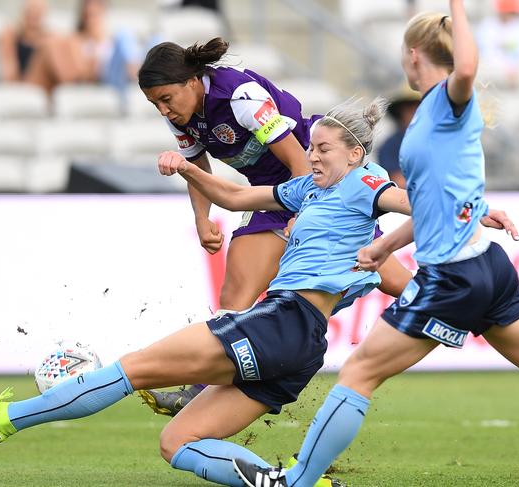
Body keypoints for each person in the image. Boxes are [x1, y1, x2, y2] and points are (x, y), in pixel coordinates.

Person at [0, 97, 417, 487]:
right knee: (177, 442)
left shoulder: (365, 182)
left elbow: (414, 205)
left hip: (284, 321)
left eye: (323, 149)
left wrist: (449, 222)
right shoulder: (309, 190)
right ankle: (293, 484)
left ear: (355, 154)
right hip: (299, 343)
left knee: (132, 369)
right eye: (310, 146)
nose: (311, 156)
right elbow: (235, 198)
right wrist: (186, 169)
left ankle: (6, 419)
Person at [232, 2, 519, 486]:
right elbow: (426, 203)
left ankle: (299, 482)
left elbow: (465, 66)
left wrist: (457, 6)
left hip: (451, 277)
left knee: (357, 375)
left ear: (414, 53)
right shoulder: (428, 117)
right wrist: (386, 247)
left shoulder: (448, 99)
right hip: (485, 263)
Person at [136, 37, 413, 416]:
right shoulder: (181, 117)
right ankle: (203, 391)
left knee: (394, 280)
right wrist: (202, 219)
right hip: (272, 194)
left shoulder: (240, 97)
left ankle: (465, 305)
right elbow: (198, 170)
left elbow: (299, 159)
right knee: (236, 292)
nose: (164, 109)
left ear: (192, 81)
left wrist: (310, 212)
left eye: (166, 98)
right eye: (156, 104)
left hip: (320, 181)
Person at [24, 0, 141, 97]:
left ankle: (140, 74)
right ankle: (139, 75)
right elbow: (72, 74)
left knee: (129, 37)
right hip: (105, 78)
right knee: (124, 35)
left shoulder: (109, 40)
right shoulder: (76, 41)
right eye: (88, 15)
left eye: (96, 14)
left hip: (117, 73)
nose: (92, 20)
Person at [476, 0, 519, 88]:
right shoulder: (487, 26)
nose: (508, 15)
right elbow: (485, 52)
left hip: (518, 68)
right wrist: (504, 67)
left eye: (511, 12)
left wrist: (514, 66)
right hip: (494, 69)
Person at [376, 83, 420, 188]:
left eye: (418, 107)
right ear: (401, 112)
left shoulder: (440, 140)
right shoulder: (391, 145)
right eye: (410, 108)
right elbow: (399, 181)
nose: (415, 112)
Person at [0, 0, 50, 82]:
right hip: (24, 81)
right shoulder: (11, 34)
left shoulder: (49, 36)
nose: (34, 13)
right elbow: (9, 69)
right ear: (23, 11)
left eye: (38, 10)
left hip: (46, 83)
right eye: (31, 9)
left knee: (65, 42)